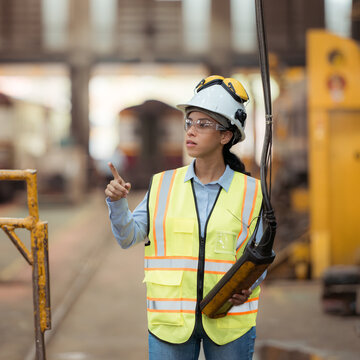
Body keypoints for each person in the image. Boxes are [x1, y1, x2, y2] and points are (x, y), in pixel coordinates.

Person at [104, 75, 264, 360]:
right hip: (171, 321)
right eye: (189, 122)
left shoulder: (252, 192)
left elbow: (260, 255)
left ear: (226, 135)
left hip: (228, 320)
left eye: (203, 124)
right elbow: (128, 236)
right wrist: (117, 203)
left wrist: (247, 286)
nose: (191, 131)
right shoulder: (162, 184)